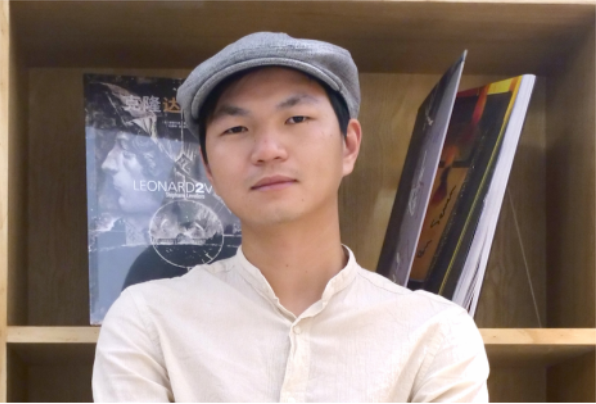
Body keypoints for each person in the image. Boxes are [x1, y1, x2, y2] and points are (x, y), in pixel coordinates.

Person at [92, 32, 490, 403]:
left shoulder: (435, 333)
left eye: (296, 119)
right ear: (207, 168)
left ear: (349, 145)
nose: (268, 150)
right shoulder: (147, 321)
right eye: (236, 128)